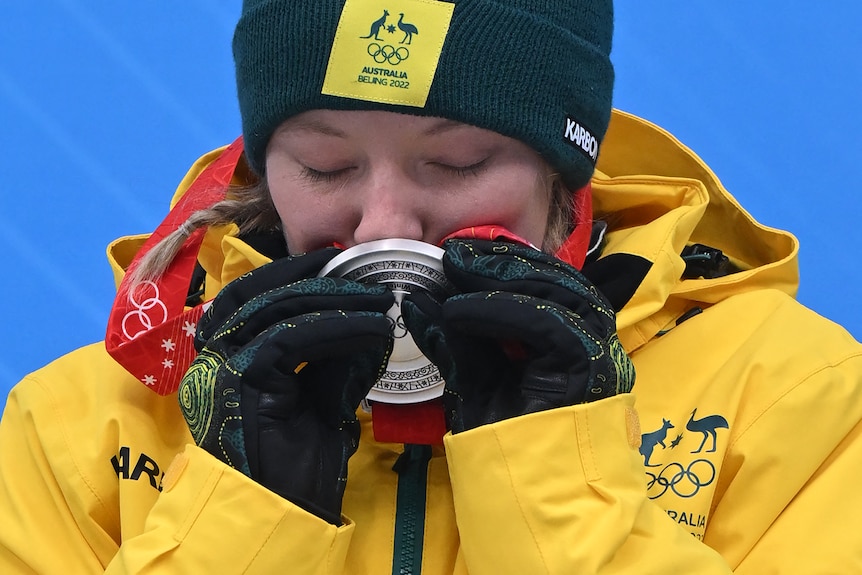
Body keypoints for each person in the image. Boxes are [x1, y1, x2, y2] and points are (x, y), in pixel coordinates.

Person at [2, 0, 861, 572]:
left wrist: (554, 479)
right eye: (325, 164)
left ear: (566, 173)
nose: (382, 225)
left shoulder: (793, 397)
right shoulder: (81, 423)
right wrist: (242, 514)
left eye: (457, 163)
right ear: (261, 168)